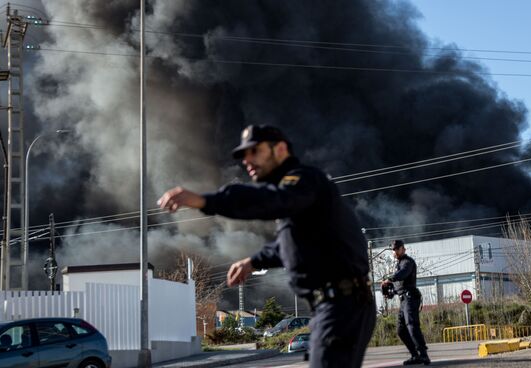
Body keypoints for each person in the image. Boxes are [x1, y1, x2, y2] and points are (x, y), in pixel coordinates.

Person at [158, 124, 376, 367]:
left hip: (342, 305)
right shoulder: (295, 194)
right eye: (243, 156)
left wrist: (205, 201)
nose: (247, 161)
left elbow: (271, 201)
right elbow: (290, 244)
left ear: (280, 148)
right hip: (337, 306)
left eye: (255, 151)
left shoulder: (303, 180)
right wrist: (254, 261)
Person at [381, 240, 431, 366]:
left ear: (403, 249)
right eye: (393, 250)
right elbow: (398, 284)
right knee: (401, 330)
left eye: (397, 249)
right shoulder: (398, 265)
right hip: (403, 299)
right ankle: (415, 355)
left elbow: (402, 274)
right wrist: (390, 292)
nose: (395, 251)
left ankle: (424, 355)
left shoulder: (407, 262)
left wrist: (390, 279)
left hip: (411, 298)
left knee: (412, 325)